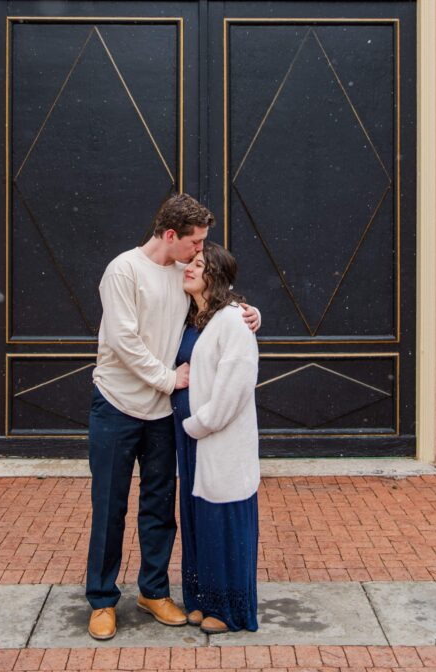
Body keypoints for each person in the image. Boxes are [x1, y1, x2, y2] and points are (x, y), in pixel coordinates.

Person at [85, 193, 260, 641]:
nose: (200, 251)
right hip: (117, 406)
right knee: (109, 507)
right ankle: (103, 600)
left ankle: (153, 591)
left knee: (160, 509)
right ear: (170, 235)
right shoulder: (123, 271)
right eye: (196, 242)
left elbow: (214, 305)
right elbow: (123, 341)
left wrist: (250, 312)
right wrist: (168, 379)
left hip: (161, 415)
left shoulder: (184, 276)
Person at [172, 241, 260, 635]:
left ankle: (229, 610)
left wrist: (198, 423)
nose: (188, 268)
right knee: (197, 521)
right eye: (189, 262)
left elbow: (234, 390)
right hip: (191, 441)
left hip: (216, 438)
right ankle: (200, 600)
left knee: (223, 522)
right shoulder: (193, 318)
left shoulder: (232, 321)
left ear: (216, 276)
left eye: (198, 264)